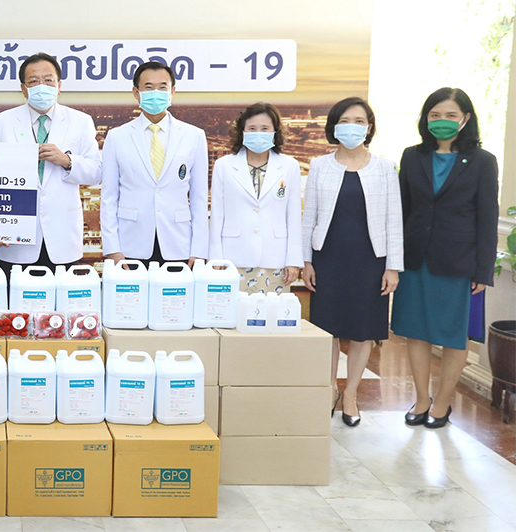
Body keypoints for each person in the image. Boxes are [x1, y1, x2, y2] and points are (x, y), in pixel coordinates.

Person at [392, 87, 498, 429]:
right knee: (416, 331)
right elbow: (402, 211)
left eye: (450, 115)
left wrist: (483, 270)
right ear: (426, 119)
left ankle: (442, 402)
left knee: (454, 334)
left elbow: (487, 218)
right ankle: (422, 399)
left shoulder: (482, 161)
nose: (442, 121)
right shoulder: (412, 156)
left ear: (465, 119)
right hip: (414, 259)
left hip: (459, 262)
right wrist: (393, 259)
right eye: (435, 115)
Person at [301, 97, 403, 427]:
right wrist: (306, 261)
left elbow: (394, 220)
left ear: (369, 127)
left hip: (370, 259)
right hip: (328, 256)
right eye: (345, 120)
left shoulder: (385, 168)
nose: (352, 127)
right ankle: (330, 388)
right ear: (334, 126)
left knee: (362, 331)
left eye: (359, 121)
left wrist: (392, 267)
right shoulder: (319, 165)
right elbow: (309, 217)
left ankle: (351, 394)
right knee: (327, 328)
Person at [0, 52, 101, 276]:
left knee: (63, 299)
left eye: (48, 80)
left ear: (59, 86)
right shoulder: (2, 123)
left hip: (63, 238)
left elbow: (96, 172)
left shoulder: (80, 122)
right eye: (33, 81)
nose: (42, 86)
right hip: (16, 239)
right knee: (16, 298)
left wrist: (67, 161)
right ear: (23, 88)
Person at [101, 61, 208, 265]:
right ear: (136, 92)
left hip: (179, 244)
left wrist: (199, 250)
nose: (155, 94)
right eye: (148, 87)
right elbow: (108, 197)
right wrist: (113, 249)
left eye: (162, 87)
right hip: (130, 244)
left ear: (172, 92)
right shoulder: (117, 137)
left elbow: (199, 199)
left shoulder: (194, 136)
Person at [208, 102, 303, 294]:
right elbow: (217, 214)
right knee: (234, 310)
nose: (258, 133)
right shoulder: (224, 166)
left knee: (273, 311)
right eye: (252, 128)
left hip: (276, 259)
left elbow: (293, 217)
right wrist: (215, 257)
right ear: (242, 132)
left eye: (265, 128)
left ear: (275, 132)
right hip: (233, 257)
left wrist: (293, 260)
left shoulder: (289, 166)